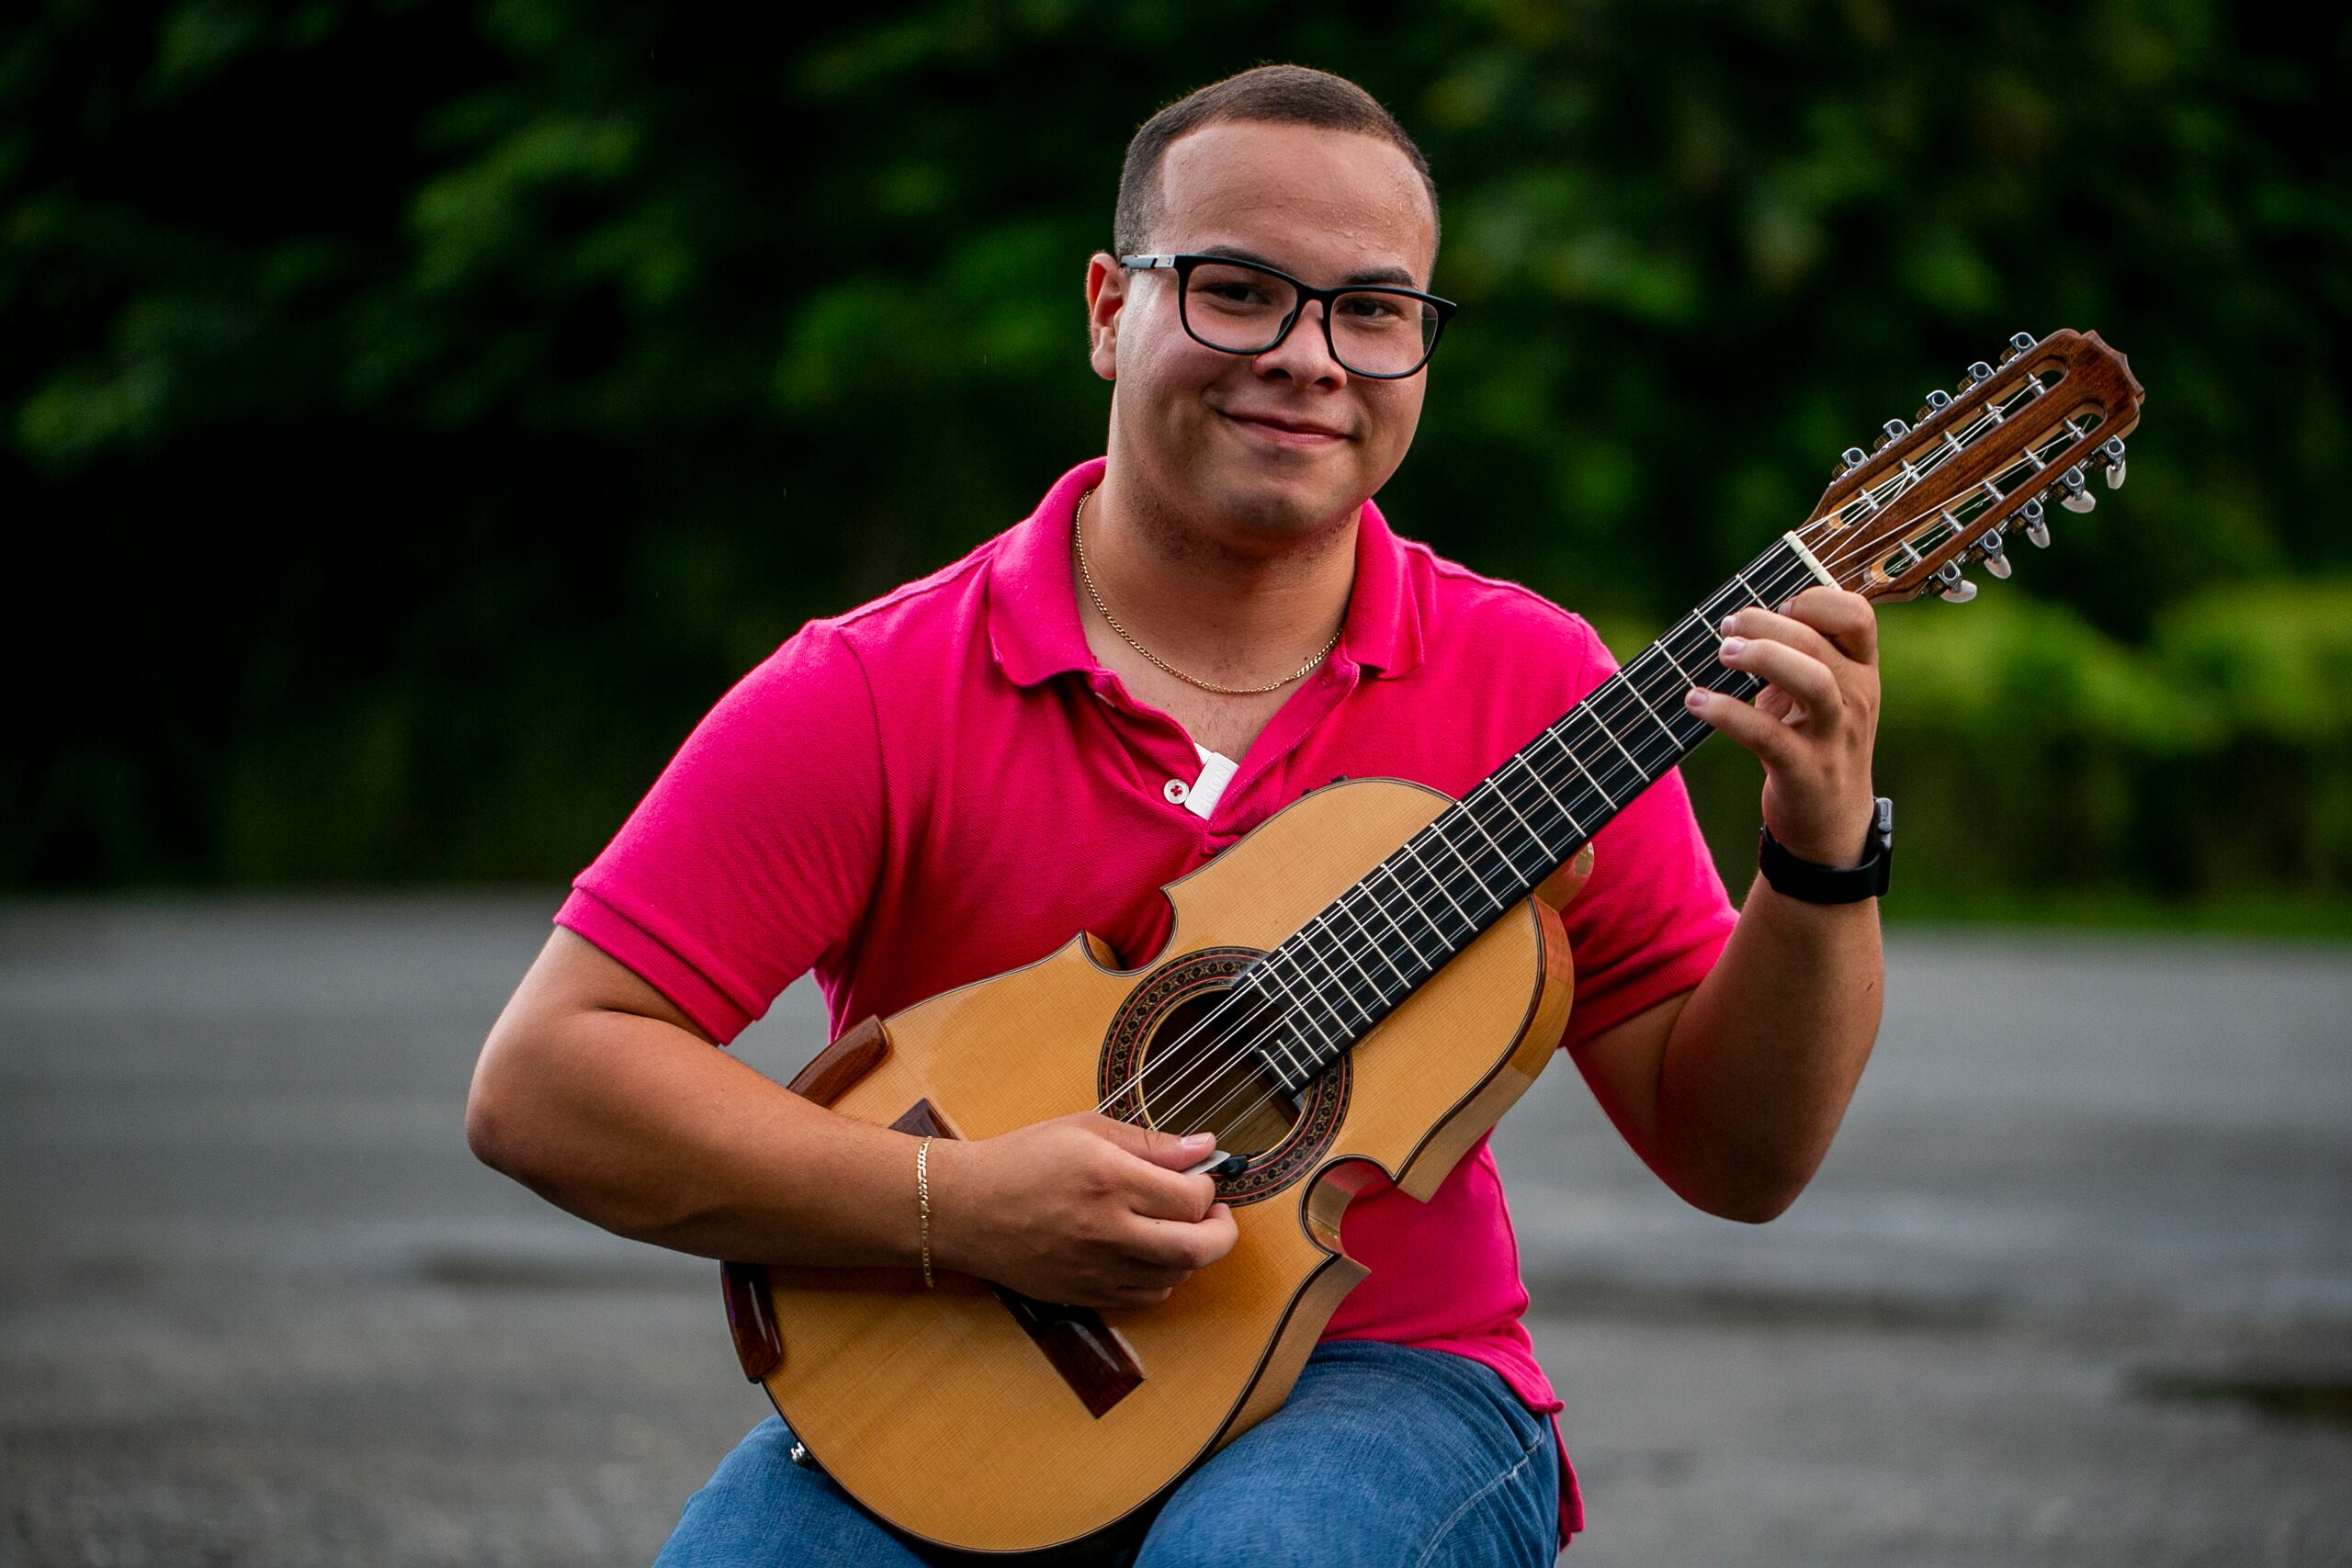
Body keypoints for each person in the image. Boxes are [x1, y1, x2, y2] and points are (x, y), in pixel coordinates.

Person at [466, 63, 1886, 1567]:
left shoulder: (1536, 683)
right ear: (1105, 308)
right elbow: (546, 1082)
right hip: (963, 1369)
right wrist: (960, 1200)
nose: (1308, 357)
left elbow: (1738, 1161)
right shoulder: (873, 689)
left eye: (1373, 310)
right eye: (1236, 290)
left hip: (1386, 1383)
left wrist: (1821, 858)